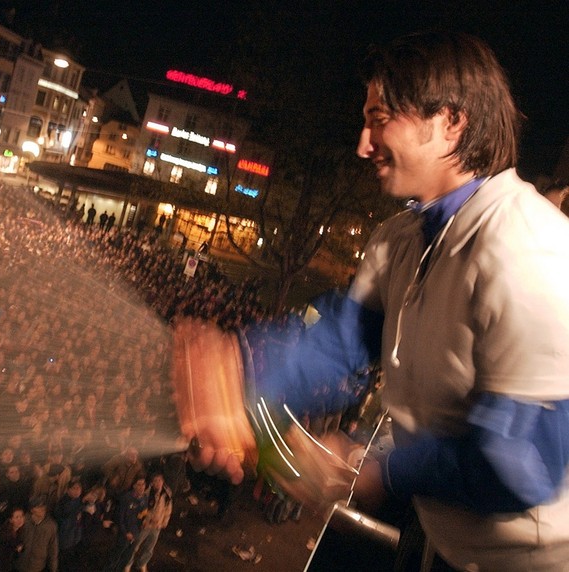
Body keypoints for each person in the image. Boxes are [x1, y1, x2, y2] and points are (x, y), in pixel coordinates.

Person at [180, 31, 569, 570]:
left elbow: (524, 461)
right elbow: (338, 338)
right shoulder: (399, 238)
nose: (363, 144)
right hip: (430, 539)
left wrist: (379, 471)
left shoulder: (533, 250)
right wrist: (240, 369)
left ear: (450, 121)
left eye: (379, 118)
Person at [125, 473, 171, 572]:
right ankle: (128, 563)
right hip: (145, 525)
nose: (157, 483)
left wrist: (164, 522)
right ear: (151, 483)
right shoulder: (146, 493)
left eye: (159, 480)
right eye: (155, 481)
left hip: (157, 527)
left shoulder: (166, 494)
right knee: (134, 545)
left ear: (163, 481)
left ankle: (142, 563)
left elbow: (168, 509)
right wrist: (146, 520)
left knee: (149, 548)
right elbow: (140, 509)